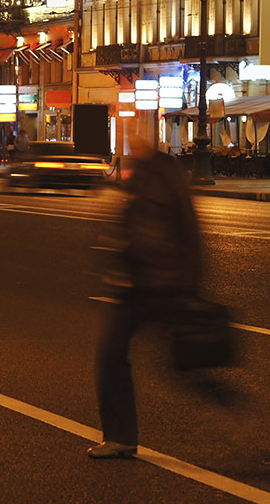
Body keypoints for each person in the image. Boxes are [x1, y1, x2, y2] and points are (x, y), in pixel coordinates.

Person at [89, 120, 204, 459]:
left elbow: (189, 230)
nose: (131, 141)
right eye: (128, 136)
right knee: (111, 356)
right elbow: (128, 227)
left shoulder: (165, 175)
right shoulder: (138, 175)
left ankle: (225, 400)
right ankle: (120, 436)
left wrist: (189, 284)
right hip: (136, 284)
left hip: (161, 284)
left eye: (136, 134)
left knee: (182, 361)